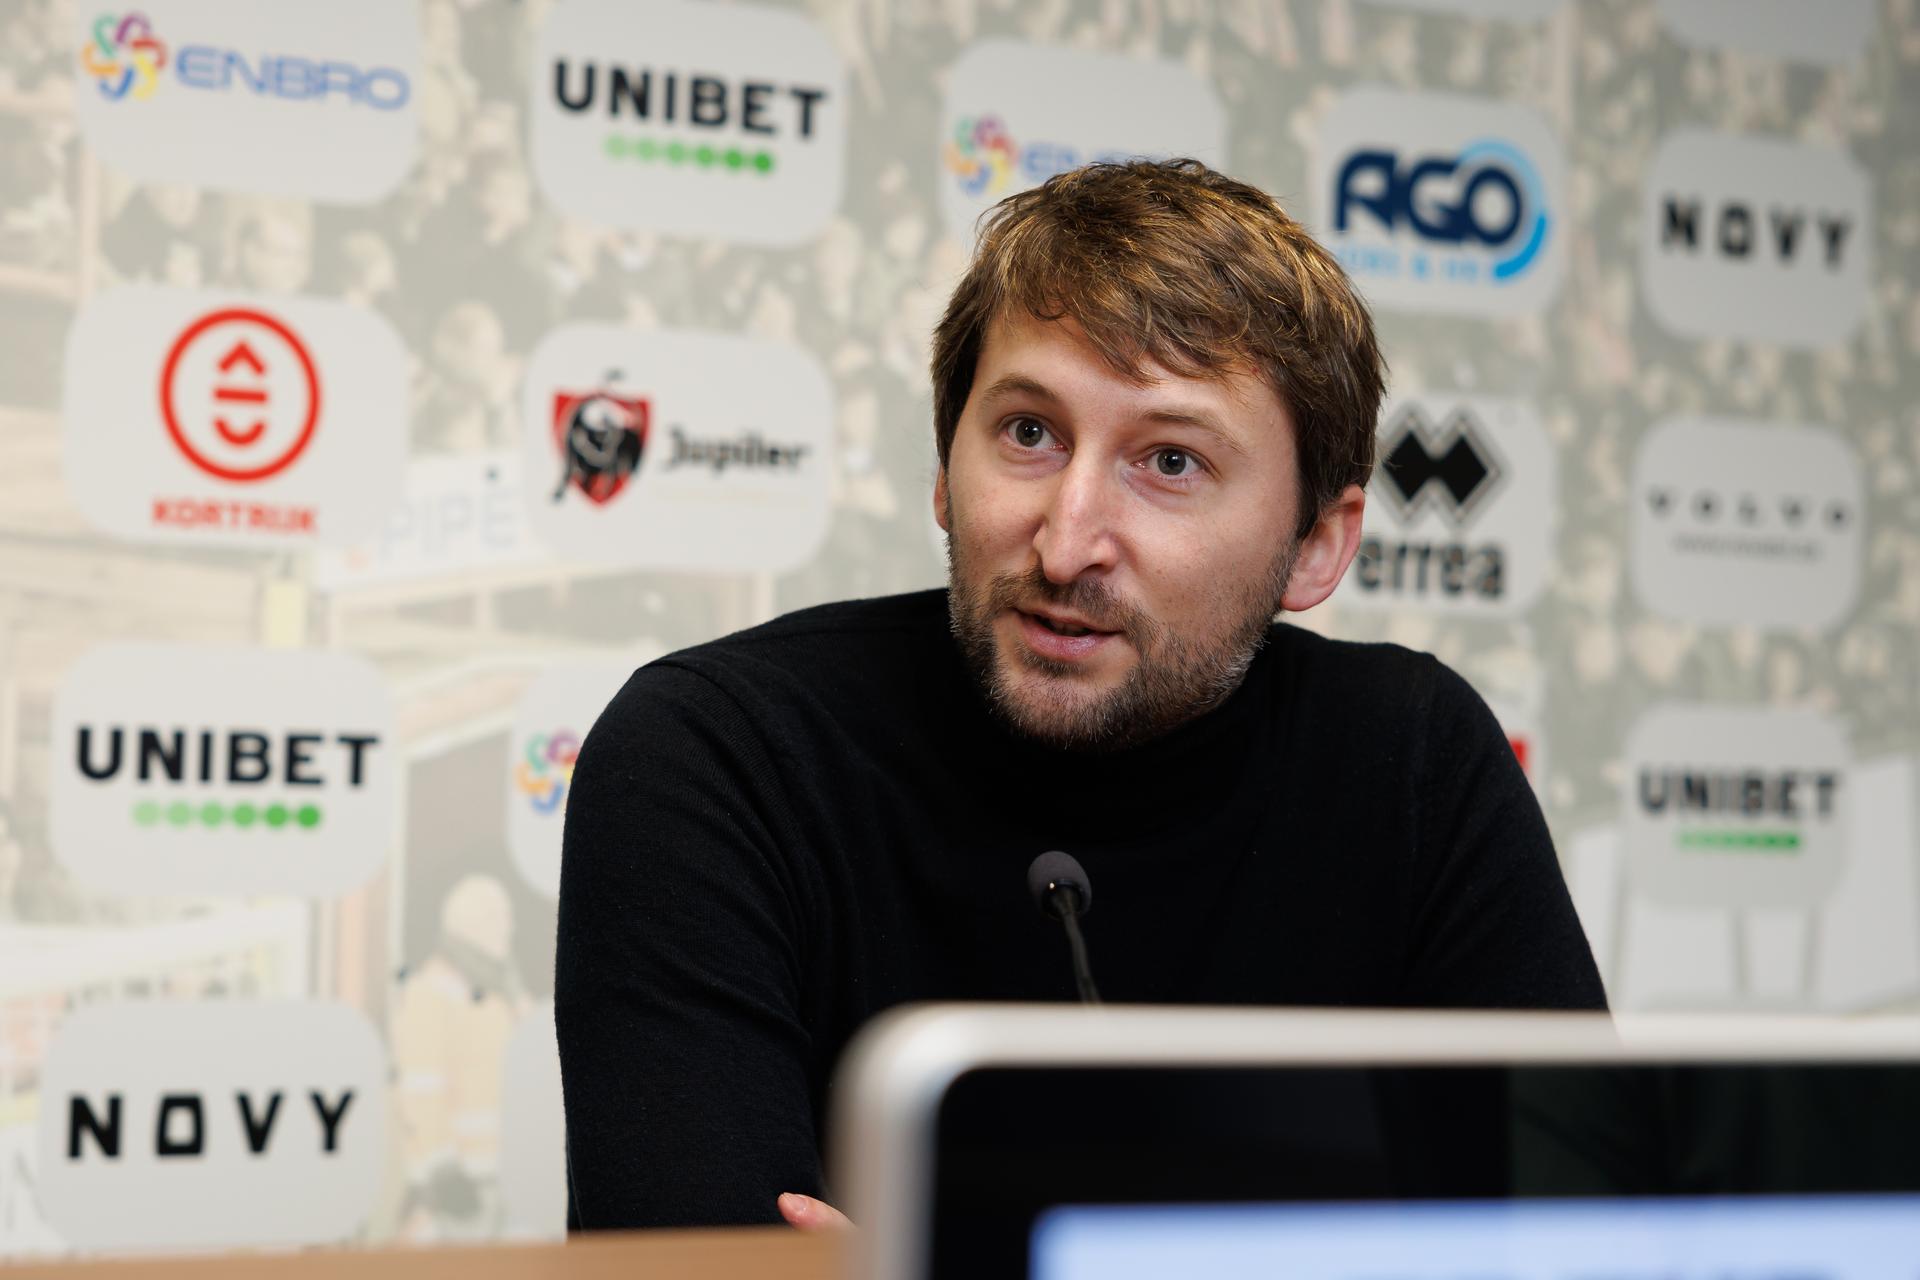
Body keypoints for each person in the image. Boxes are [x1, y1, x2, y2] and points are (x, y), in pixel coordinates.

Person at [554, 159, 1606, 1234]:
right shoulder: (718, 754)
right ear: (941, 462)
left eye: (1169, 461)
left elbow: (1595, 1244)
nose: (1066, 543)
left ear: (1315, 545)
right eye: (1028, 433)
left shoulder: (1415, 762)